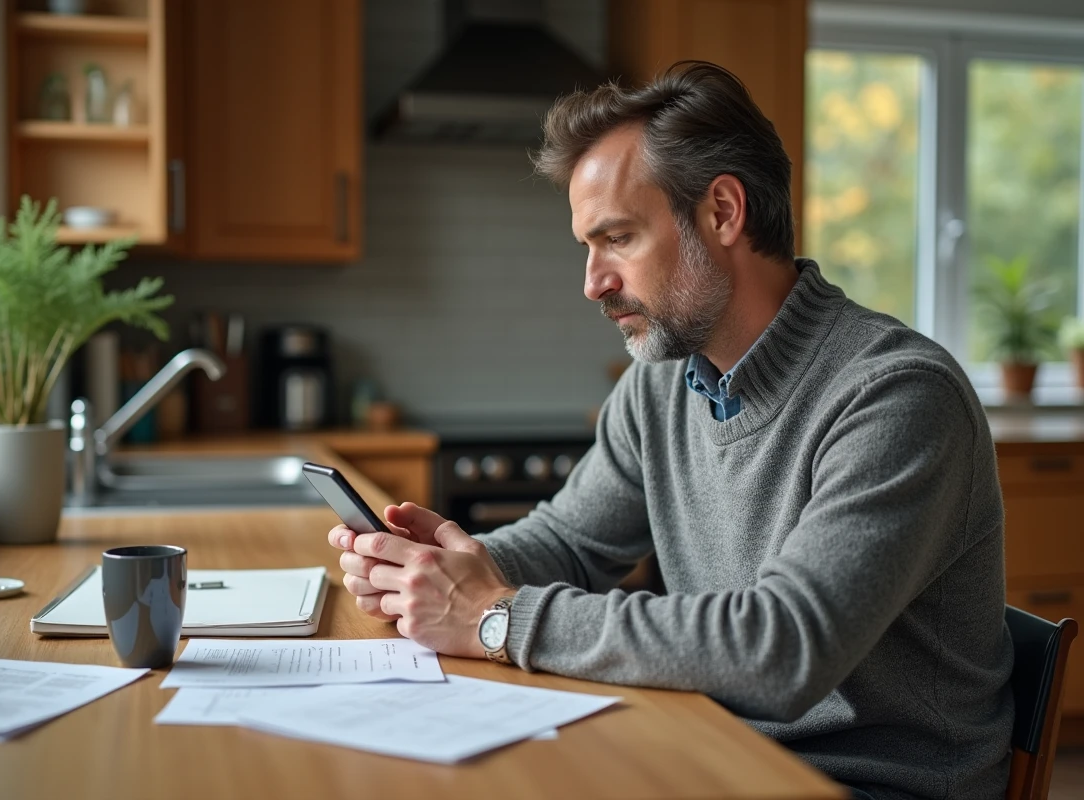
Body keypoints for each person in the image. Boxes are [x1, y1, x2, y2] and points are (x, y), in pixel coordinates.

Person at [327, 62, 1013, 800]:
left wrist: (495, 618)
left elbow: (781, 651)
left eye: (617, 238)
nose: (593, 282)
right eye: (587, 247)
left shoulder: (898, 395)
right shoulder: (663, 384)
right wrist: (432, 570)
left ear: (722, 212)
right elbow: (569, 544)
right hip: (714, 750)